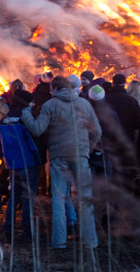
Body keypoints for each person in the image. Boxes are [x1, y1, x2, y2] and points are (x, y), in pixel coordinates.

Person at [21, 75, 102, 249]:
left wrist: (26, 112)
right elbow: (97, 131)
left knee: (58, 198)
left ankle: (59, 242)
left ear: (56, 89)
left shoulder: (50, 105)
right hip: (80, 155)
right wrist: (87, 148)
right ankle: (90, 241)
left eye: (51, 89)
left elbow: (36, 129)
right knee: (85, 198)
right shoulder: (85, 104)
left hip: (58, 156)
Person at [0, 89, 40, 242]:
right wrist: (37, 159)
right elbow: (31, 143)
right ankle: (28, 234)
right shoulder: (25, 119)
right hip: (29, 163)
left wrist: (5, 160)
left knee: (13, 198)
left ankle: (9, 233)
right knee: (28, 199)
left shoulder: (2, 121)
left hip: (12, 165)